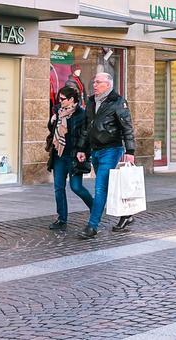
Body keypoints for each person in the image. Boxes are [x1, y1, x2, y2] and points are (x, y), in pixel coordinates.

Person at [75, 73, 136, 239]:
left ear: (108, 84)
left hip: (111, 149)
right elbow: (87, 127)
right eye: (94, 81)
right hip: (95, 150)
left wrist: (130, 151)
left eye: (98, 82)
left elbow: (127, 128)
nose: (94, 84)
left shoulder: (118, 102)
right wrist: (82, 149)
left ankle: (92, 226)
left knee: (100, 188)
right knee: (107, 188)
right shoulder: (91, 101)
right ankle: (126, 214)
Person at [46, 86, 92, 231]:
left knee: (76, 187)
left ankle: (95, 208)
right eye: (59, 99)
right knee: (58, 188)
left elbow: (85, 135)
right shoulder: (57, 111)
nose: (60, 102)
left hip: (73, 156)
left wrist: (82, 151)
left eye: (62, 99)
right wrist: (52, 120)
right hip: (59, 155)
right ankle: (61, 219)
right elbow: (52, 131)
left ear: (72, 99)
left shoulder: (81, 114)